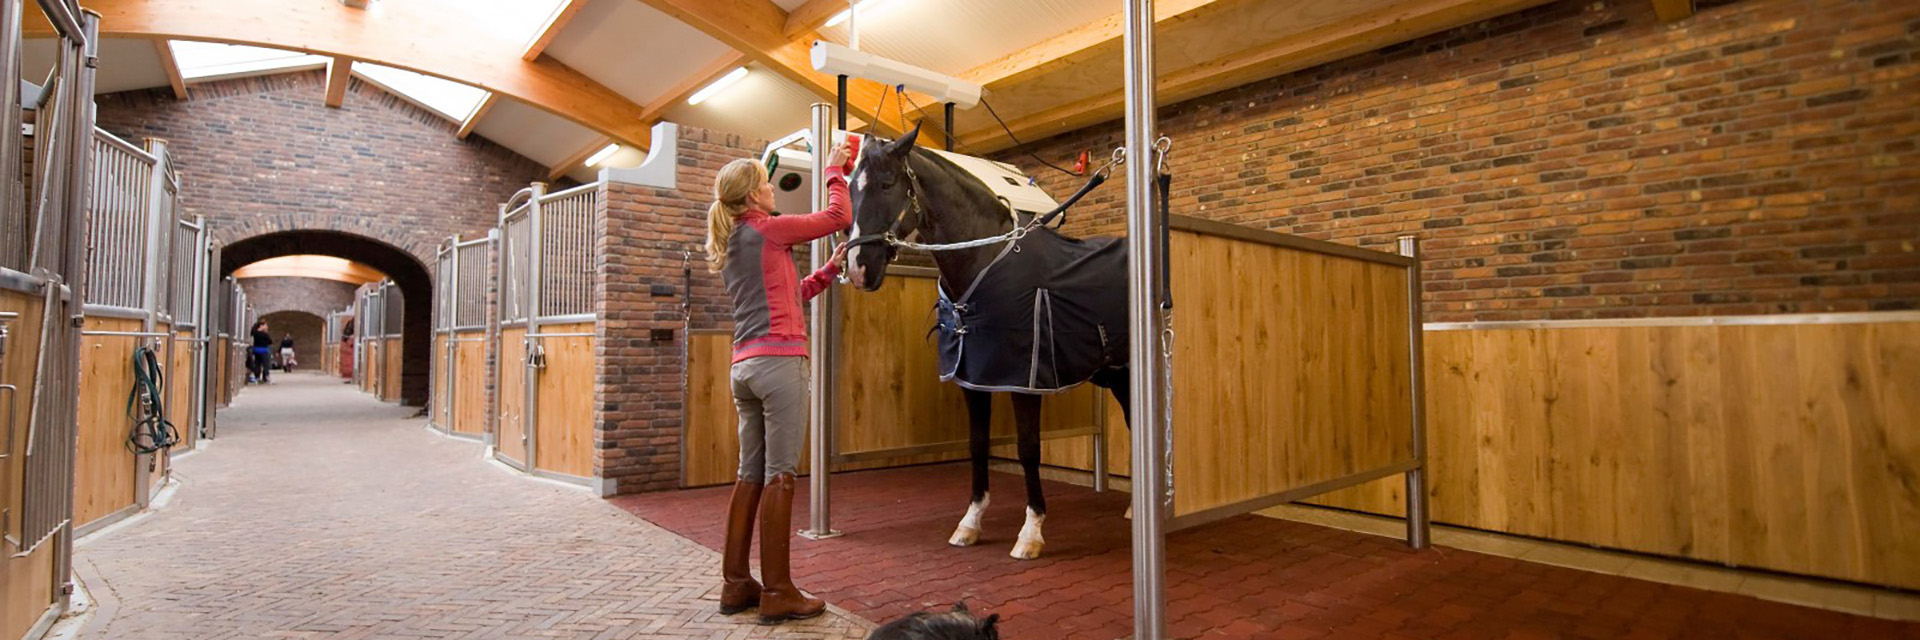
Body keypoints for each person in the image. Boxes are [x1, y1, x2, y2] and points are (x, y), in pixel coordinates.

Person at [706, 142, 852, 624]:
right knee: (781, 474)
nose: (773, 188)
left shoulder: (735, 243)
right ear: (751, 195)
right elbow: (837, 215)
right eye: (766, 183)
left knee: (751, 473)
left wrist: (830, 269)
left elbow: (793, 291)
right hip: (779, 366)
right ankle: (778, 591)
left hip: (743, 370)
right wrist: (833, 168)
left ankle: (735, 585)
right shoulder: (768, 230)